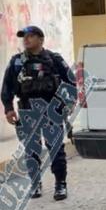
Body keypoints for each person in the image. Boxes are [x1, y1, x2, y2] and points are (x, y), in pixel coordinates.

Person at [2, 26, 74, 199]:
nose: (26, 39)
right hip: (28, 109)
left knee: (56, 148)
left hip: (51, 108)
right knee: (31, 149)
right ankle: (35, 184)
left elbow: (70, 81)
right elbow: (7, 86)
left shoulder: (54, 59)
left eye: (31, 36)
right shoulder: (17, 62)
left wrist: (70, 102)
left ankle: (60, 184)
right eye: (24, 37)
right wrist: (8, 108)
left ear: (41, 39)